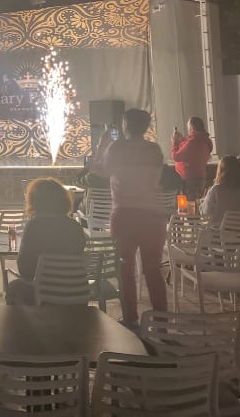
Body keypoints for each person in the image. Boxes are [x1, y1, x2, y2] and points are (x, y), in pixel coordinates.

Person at [104, 108, 167, 328]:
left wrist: (104, 140)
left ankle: (130, 319)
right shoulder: (154, 149)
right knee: (153, 270)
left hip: (125, 214)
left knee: (125, 270)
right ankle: (162, 322)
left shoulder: (117, 148)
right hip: (152, 215)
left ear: (126, 125)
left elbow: (101, 170)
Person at [6, 178, 86, 305]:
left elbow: (24, 270)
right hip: (77, 293)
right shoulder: (75, 226)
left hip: (44, 295)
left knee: (13, 287)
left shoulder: (34, 226)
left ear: (35, 201)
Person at [200, 155, 240, 225]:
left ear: (220, 172)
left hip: (221, 231)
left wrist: (203, 202)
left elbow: (205, 214)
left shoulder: (216, 190)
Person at [171, 117, 213, 199]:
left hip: (190, 179)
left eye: (188, 128)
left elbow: (176, 156)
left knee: (190, 203)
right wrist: (182, 140)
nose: (188, 131)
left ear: (192, 128)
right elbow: (190, 150)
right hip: (200, 177)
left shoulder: (193, 142)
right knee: (197, 200)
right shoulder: (204, 140)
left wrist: (175, 143)